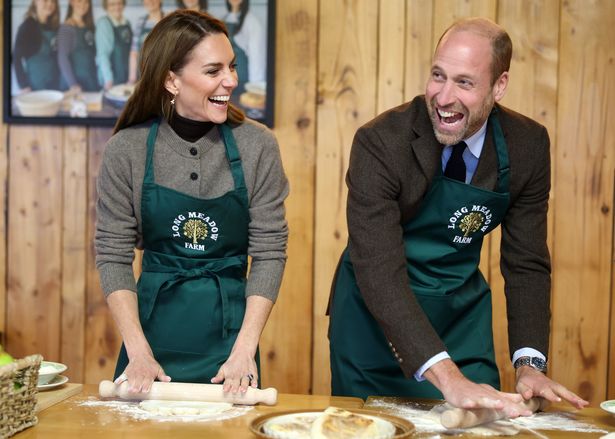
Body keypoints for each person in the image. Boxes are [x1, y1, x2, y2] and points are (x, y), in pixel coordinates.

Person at [328, 17, 589, 416]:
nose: (444, 96)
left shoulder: (527, 145)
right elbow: (379, 270)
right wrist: (447, 377)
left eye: (464, 82)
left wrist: (530, 364)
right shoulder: (381, 141)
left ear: (499, 85)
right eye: (438, 76)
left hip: (460, 320)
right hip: (374, 326)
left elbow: (526, 262)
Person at [95, 10, 288, 394]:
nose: (231, 80)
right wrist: (137, 350)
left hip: (232, 341)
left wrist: (244, 349)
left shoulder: (258, 146)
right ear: (172, 80)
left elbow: (270, 250)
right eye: (214, 70)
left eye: (232, 66)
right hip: (149, 341)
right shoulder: (126, 150)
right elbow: (113, 253)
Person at [13, 0, 61, 92]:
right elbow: (16, 58)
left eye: (53, 1)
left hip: (55, 86)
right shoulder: (27, 27)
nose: (50, 3)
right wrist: (24, 85)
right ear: (35, 2)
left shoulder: (55, 27)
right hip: (35, 86)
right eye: (45, 0)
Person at [222, 0, 266, 97]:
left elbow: (256, 56)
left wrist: (255, 87)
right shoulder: (224, 19)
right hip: (225, 79)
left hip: (242, 82)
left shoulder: (252, 22)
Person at [57, 0, 98, 92]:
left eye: (86, 2)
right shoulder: (66, 28)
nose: (83, 5)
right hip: (75, 84)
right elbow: (62, 58)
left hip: (90, 81)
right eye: (79, 1)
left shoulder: (89, 27)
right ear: (71, 2)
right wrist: (73, 84)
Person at [95, 0, 132, 90]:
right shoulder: (104, 23)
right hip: (111, 79)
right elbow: (102, 54)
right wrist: (108, 79)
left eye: (119, 3)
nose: (117, 7)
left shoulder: (127, 23)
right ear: (106, 6)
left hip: (126, 77)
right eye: (112, 4)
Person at [127, 0, 164, 84]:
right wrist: (132, 78)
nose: (150, 1)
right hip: (142, 76)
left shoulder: (168, 20)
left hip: (162, 75)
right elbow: (134, 52)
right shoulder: (140, 22)